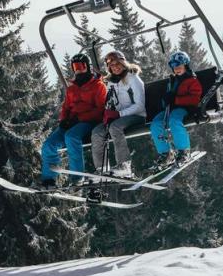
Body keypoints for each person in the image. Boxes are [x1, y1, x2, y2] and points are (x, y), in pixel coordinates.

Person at [40, 53, 107, 187]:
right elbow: (66, 107)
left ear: (87, 67)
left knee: (71, 137)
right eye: (75, 67)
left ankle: (77, 177)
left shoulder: (98, 86)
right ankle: (49, 180)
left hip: (89, 122)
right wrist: (63, 120)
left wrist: (80, 118)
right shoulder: (72, 89)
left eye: (81, 66)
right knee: (49, 145)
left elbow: (100, 110)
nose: (78, 70)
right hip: (71, 123)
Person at [90, 50, 146, 178]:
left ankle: (124, 165)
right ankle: (102, 169)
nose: (115, 67)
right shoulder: (111, 81)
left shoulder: (133, 78)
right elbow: (111, 101)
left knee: (115, 127)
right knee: (97, 132)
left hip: (137, 116)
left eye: (117, 64)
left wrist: (119, 114)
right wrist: (108, 114)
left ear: (123, 62)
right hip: (118, 117)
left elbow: (140, 106)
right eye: (111, 66)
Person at [149, 51, 203, 168]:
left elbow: (194, 99)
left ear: (186, 66)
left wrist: (176, 100)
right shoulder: (173, 81)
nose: (176, 69)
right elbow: (169, 97)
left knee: (174, 121)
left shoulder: (192, 80)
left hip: (185, 108)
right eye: (174, 67)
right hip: (171, 108)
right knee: (156, 124)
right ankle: (166, 153)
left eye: (179, 67)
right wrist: (166, 99)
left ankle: (184, 151)